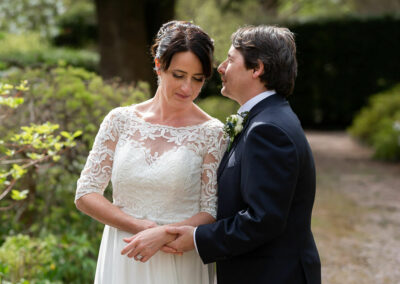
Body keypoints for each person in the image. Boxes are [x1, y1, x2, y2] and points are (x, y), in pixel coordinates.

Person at [163, 25, 322, 283]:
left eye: (230, 59)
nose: (221, 67)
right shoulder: (265, 119)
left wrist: (195, 238)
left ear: (257, 68)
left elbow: (262, 220)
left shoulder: (268, 129)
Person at [75, 20, 226, 284]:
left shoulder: (213, 133)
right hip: (124, 251)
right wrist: (140, 228)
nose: (187, 88)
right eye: (178, 75)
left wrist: (164, 234)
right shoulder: (119, 120)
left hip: (178, 256)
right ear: (158, 66)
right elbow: (86, 193)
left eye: (197, 79)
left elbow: (211, 210)